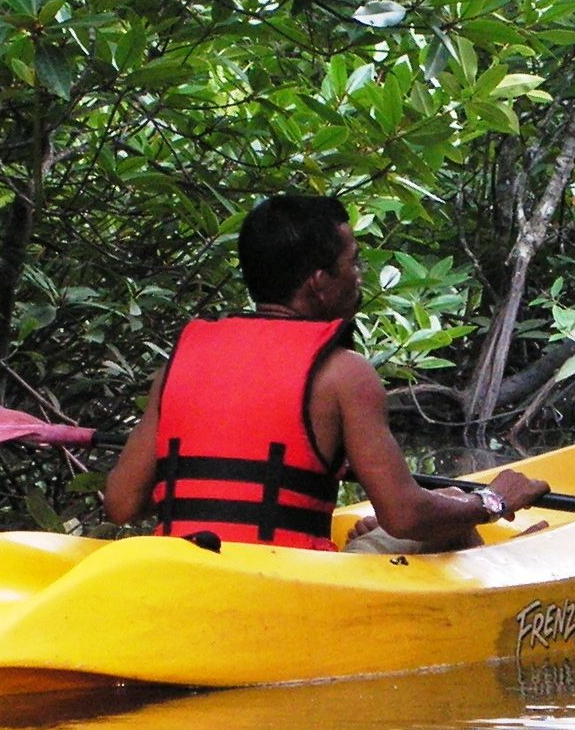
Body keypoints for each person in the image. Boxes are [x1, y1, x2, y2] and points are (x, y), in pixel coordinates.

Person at [102, 194, 548, 551]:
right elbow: (406, 515)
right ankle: (503, 565)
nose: (358, 276)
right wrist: (492, 500)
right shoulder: (343, 375)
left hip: (187, 573)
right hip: (291, 585)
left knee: (445, 506)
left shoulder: (181, 362)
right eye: (352, 263)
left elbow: (122, 504)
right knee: (452, 510)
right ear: (319, 281)